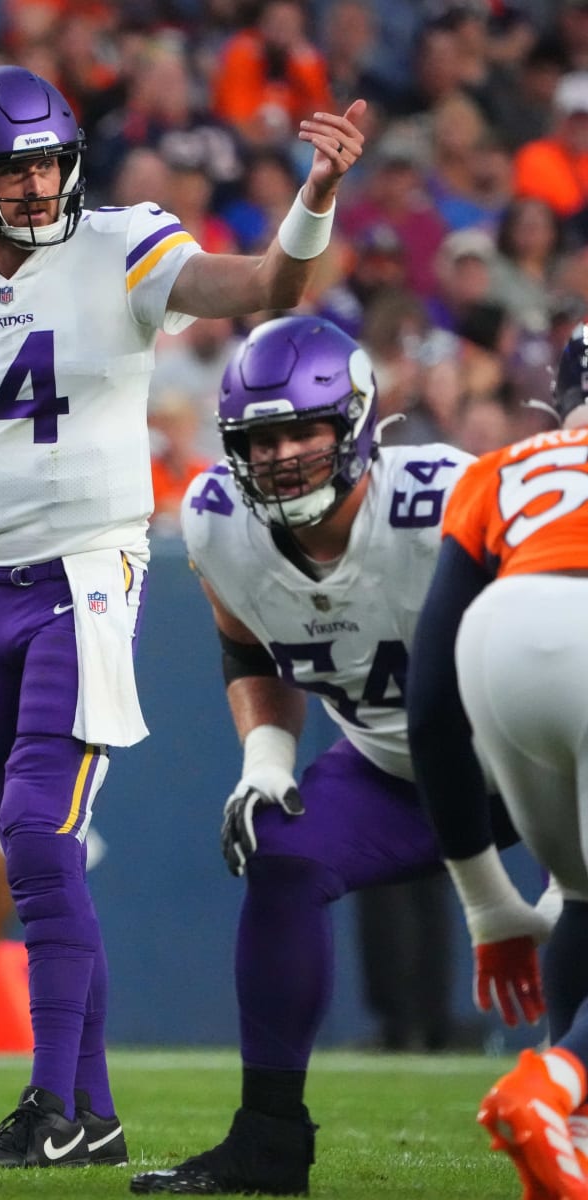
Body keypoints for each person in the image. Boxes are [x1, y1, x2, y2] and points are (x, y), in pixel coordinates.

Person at [0, 62, 366, 1170]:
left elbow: (266, 286)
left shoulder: (121, 242)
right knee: (38, 852)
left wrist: (314, 192)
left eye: (47, 164)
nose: (36, 188)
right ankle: (92, 1114)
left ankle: (55, 1108)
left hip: (88, 573)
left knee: (37, 833)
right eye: (12, 170)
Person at [129, 314, 508, 1197]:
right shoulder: (218, 521)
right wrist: (266, 755)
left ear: (358, 422)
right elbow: (250, 649)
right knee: (284, 857)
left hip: (535, 755)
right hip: (394, 768)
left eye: (305, 427)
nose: (285, 453)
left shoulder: (447, 497)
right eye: (263, 436)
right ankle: (268, 1141)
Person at [406, 323, 588, 1199]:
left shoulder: (499, 469)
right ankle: (552, 1086)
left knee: (582, 890)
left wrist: (489, 905)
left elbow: (431, 706)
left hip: (501, 639)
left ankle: (574, 1139)